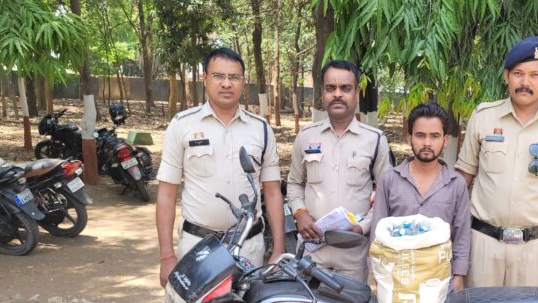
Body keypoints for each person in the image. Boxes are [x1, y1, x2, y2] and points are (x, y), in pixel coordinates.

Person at [156, 48, 285, 287]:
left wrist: (278, 249)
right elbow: (166, 193)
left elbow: (273, 192)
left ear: (243, 82)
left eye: (234, 77)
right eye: (218, 76)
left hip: (249, 247)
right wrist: (166, 256)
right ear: (204, 78)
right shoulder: (182, 125)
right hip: (197, 245)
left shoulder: (261, 129)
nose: (226, 83)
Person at [455, 35, 538, 287]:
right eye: (518, 74)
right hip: (483, 246)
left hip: (534, 251)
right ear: (506, 76)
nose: (525, 82)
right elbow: (461, 179)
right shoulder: (483, 116)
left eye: (534, 75)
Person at [286, 60, 391, 282]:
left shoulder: (375, 140)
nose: (337, 94)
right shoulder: (306, 137)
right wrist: (300, 213)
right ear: (322, 94)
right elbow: (294, 183)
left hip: (353, 253)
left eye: (345, 88)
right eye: (330, 88)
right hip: (311, 251)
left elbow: (386, 195)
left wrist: (362, 227)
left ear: (356, 94)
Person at [370, 103, 470, 291]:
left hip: (440, 279)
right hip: (397, 279)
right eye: (420, 135)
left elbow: (462, 234)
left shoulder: (456, 183)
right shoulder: (389, 179)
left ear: (445, 139)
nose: (427, 143)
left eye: (435, 136)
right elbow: (377, 231)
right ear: (409, 137)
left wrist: (458, 276)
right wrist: (376, 272)